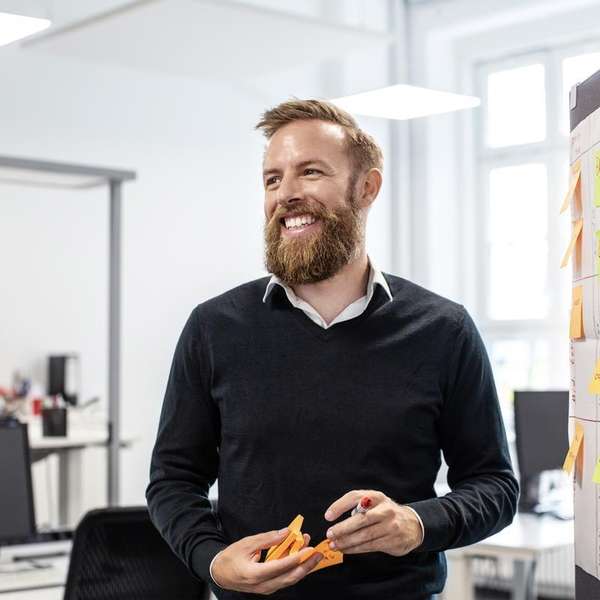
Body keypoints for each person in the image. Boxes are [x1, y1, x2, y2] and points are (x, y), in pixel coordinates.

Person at [146, 99, 519, 600]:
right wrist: (211, 560)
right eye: (272, 179)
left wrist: (417, 523)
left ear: (366, 187)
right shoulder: (213, 328)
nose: (287, 194)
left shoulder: (443, 330)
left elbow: (494, 485)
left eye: (311, 172)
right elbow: (172, 480)